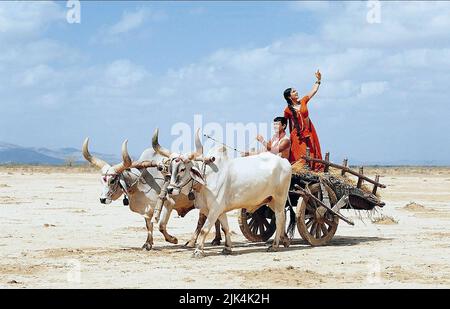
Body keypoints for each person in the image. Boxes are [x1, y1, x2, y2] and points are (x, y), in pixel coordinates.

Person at [283, 70, 323, 171]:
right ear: (289, 96)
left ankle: (312, 171)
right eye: (293, 91)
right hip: (297, 135)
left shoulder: (303, 101)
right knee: (300, 154)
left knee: (312, 152)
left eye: (296, 90)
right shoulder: (287, 110)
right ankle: (299, 171)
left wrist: (318, 80)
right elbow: (286, 124)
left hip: (309, 131)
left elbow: (313, 91)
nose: (296, 92)